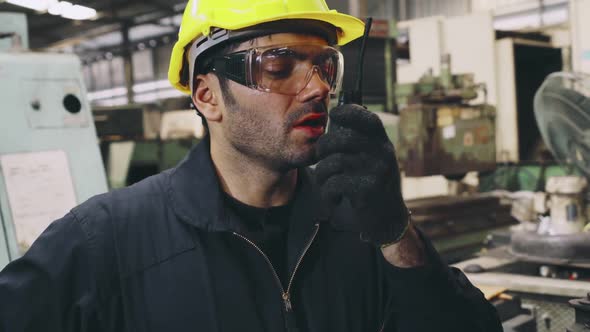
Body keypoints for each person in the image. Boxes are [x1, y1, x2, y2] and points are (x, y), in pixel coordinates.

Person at [0, 0, 502, 331]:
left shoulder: (363, 230)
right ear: (207, 96)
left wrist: (397, 234)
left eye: (325, 66)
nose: (318, 88)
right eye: (279, 67)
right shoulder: (104, 240)